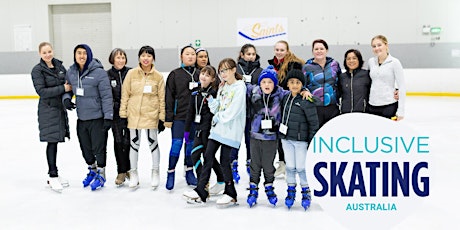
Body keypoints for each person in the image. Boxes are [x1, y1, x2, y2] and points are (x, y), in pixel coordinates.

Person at [183, 58, 246, 207]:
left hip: (230, 130)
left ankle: (230, 193)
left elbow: (234, 111)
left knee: (225, 161)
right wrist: (212, 100)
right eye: (220, 71)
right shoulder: (223, 87)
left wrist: (218, 116)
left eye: (225, 70)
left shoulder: (239, 87)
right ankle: (201, 190)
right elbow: (217, 107)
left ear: (233, 70)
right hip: (217, 129)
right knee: (208, 155)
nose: (222, 74)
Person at [63, 44, 113, 191]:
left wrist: (108, 116)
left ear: (89, 55)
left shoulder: (99, 72)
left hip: (97, 117)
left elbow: (106, 96)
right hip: (82, 117)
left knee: (99, 148)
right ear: (75, 55)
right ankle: (92, 170)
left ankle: (101, 174)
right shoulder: (71, 72)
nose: (82, 56)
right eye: (79, 53)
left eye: (84, 53)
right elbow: (68, 89)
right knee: (85, 148)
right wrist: (66, 99)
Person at [119, 45, 165, 189]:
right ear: (139, 57)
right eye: (143, 55)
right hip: (134, 116)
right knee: (134, 145)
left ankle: (155, 172)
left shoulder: (158, 76)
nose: (146, 58)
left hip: (151, 115)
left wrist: (162, 117)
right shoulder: (132, 74)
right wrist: (123, 113)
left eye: (149, 56)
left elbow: (161, 98)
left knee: (153, 144)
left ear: (153, 58)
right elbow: (125, 94)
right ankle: (133, 174)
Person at [31, 42, 72, 192]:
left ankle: (55, 174)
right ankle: (52, 175)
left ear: (52, 51)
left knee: (56, 141)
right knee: (52, 142)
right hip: (48, 110)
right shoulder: (37, 71)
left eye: (49, 51)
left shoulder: (60, 67)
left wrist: (67, 95)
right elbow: (42, 91)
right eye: (44, 52)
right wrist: (63, 88)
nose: (48, 54)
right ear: (40, 54)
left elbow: (69, 84)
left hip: (59, 110)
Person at [279, 69, 319, 210]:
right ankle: (291, 191)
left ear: (302, 84)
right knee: (290, 167)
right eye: (292, 82)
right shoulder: (285, 97)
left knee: (301, 167)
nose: (295, 85)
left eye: (298, 82)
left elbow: (314, 122)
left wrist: (311, 140)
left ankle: (306, 191)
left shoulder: (306, 99)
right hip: (286, 139)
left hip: (301, 141)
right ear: (288, 84)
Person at [185, 65, 225, 195]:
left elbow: (214, 113)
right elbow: (190, 112)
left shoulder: (213, 94)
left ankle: (207, 183)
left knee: (207, 157)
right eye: (203, 73)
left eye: (208, 75)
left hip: (209, 131)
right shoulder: (195, 93)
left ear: (213, 79)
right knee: (197, 155)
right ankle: (209, 181)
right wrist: (186, 130)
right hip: (198, 129)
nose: (204, 76)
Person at [268, 40, 305, 178]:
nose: (279, 52)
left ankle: (294, 164)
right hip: (276, 104)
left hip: (289, 102)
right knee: (279, 133)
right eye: (277, 49)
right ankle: (282, 163)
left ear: (287, 50)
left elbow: (298, 82)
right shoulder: (271, 65)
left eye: (282, 50)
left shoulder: (294, 64)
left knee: (291, 132)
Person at [164, 45, 199, 190]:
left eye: (192, 54)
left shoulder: (200, 73)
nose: (190, 56)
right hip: (179, 117)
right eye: (187, 54)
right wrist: (168, 117)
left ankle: (189, 170)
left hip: (195, 118)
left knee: (190, 145)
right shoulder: (175, 74)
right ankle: (170, 172)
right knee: (176, 145)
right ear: (181, 57)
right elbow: (169, 97)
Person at [230, 43, 264, 183]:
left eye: (253, 54)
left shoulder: (260, 71)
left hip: (253, 113)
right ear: (242, 55)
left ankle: (251, 167)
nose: (251, 56)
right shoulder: (235, 69)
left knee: (251, 142)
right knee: (235, 141)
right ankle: (233, 166)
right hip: (237, 113)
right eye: (248, 54)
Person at [106, 48, 131, 186]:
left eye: (123, 57)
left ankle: (129, 169)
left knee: (129, 142)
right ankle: (121, 171)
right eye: (118, 57)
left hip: (130, 114)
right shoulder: (107, 75)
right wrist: (116, 106)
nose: (121, 60)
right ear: (112, 59)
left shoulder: (131, 72)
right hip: (115, 114)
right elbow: (106, 94)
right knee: (118, 141)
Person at [303, 39, 341, 128]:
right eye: (316, 49)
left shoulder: (334, 64)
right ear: (312, 51)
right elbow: (301, 85)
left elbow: (340, 81)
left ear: (326, 50)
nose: (319, 51)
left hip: (332, 107)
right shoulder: (307, 67)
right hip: (315, 107)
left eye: (321, 48)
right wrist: (304, 91)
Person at [368, 35, 406, 121]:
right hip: (372, 105)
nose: (377, 48)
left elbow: (402, 86)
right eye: (374, 46)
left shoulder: (394, 62)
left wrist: (401, 111)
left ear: (386, 45)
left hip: (389, 105)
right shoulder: (371, 62)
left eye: (379, 45)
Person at [338, 49, 371, 113]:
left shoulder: (366, 75)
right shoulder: (342, 77)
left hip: (363, 113)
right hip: (345, 114)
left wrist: (396, 90)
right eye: (348, 59)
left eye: (354, 58)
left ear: (359, 60)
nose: (351, 61)